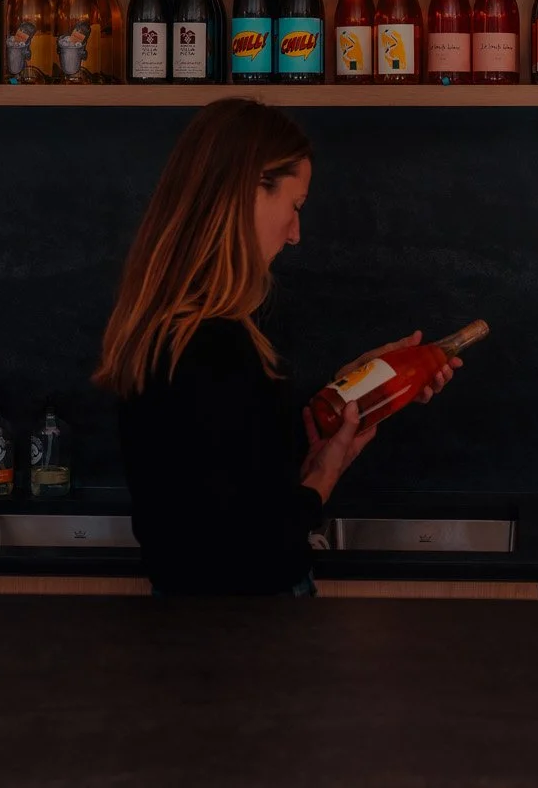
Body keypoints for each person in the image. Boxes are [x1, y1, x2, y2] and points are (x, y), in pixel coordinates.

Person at [94, 98, 456, 596]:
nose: (295, 233)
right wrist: (320, 484)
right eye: (295, 206)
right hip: (242, 635)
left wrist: (339, 401)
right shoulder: (211, 344)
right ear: (249, 189)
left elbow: (224, 470)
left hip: (191, 628)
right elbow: (249, 543)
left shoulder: (172, 331)